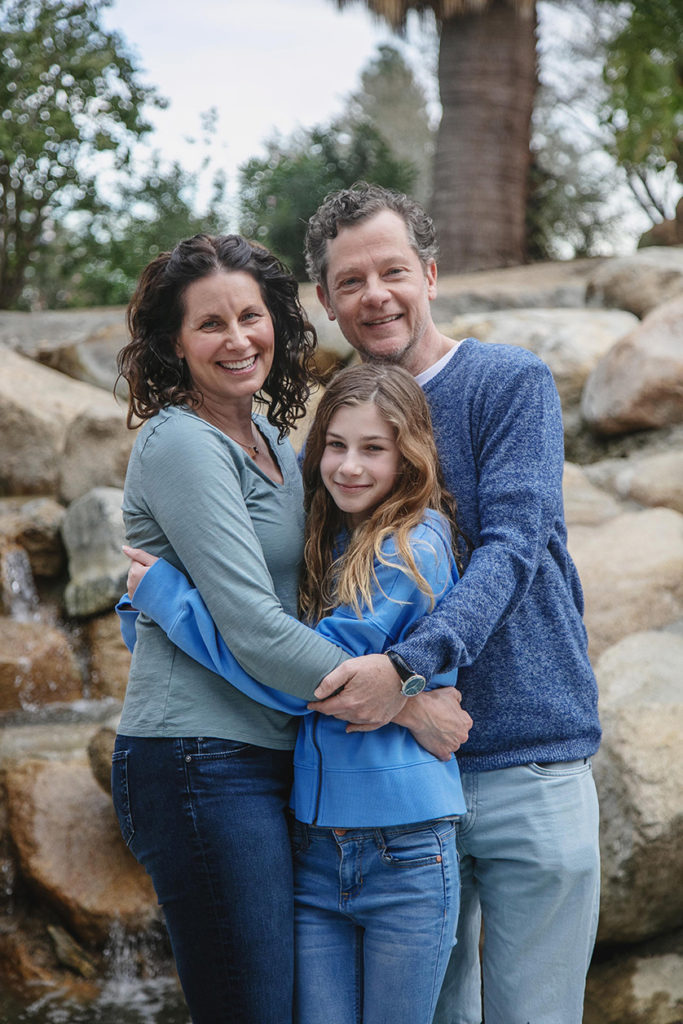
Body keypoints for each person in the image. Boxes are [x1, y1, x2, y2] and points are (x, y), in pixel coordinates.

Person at [112, 233, 470, 1024]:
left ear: (277, 319)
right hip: (200, 760)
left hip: (275, 758)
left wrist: (160, 604)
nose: (238, 339)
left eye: (251, 315)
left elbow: (302, 605)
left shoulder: (274, 444)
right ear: (174, 342)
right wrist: (405, 701)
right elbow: (260, 633)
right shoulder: (183, 442)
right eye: (210, 325)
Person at [299, 184, 602, 1024]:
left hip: (527, 759)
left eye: (392, 270)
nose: (375, 295)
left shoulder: (508, 382)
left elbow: (510, 545)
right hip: (395, 791)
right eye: (349, 281)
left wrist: (405, 668)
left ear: (429, 274)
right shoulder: (337, 433)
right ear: (324, 301)